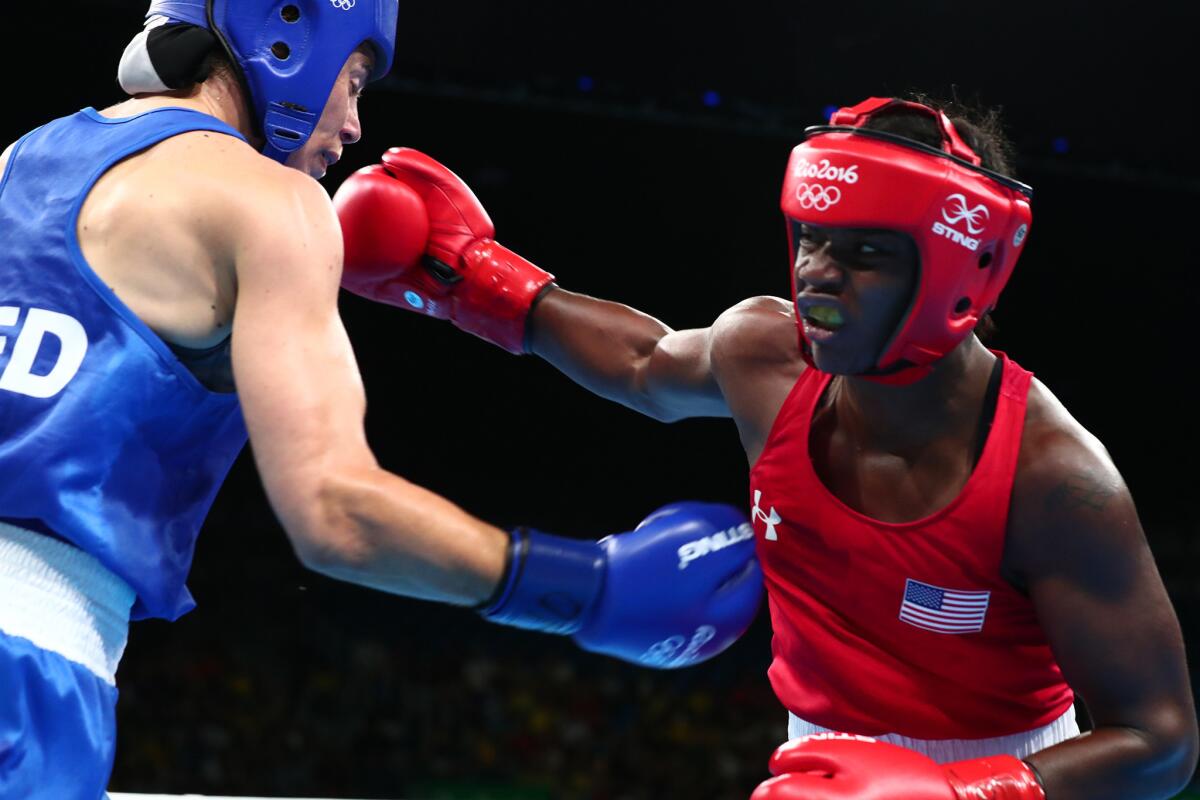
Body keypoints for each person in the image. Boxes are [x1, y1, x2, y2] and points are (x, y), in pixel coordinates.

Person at [334, 96, 1200, 798]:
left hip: (1020, 779)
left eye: (864, 252)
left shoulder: (1052, 477)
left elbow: (1160, 745)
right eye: (812, 238)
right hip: (817, 768)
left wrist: (961, 794)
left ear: (956, 273)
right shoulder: (767, 357)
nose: (818, 271)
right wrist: (467, 276)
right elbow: (643, 361)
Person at [0, 2, 764, 797]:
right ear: (290, 36)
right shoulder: (271, 202)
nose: (355, 124)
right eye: (355, 79)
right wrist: (583, 586)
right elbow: (334, 513)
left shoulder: (21, 160)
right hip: (26, 667)